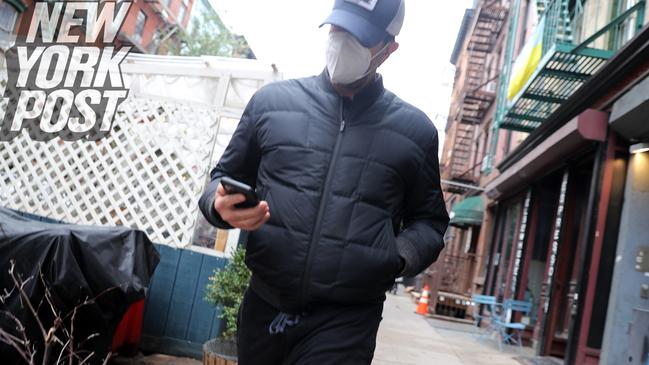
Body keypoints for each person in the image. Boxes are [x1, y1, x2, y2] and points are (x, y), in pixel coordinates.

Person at [199, 0, 449, 363]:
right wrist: (217, 205)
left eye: (359, 37)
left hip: (346, 322)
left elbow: (429, 222)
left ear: (388, 49)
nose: (342, 42)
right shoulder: (271, 104)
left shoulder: (415, 132)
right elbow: (222, 179)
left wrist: (394, 258)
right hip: (264, 307)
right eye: (338, 29)